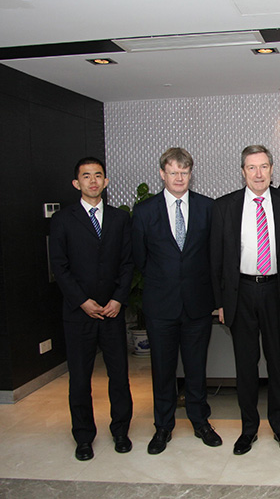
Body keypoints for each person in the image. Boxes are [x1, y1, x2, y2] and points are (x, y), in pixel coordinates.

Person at [211, 145, 280, 456]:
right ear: (243, 172)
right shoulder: (225, 206)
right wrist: (220, 302)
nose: (258, 173)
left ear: (272, 169)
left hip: (277, 292)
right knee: (246, 366)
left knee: (278, 364)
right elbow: (216, 259)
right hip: (241, 292)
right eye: (252, 167)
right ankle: (248, 428)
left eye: (264, 166)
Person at [131, 147, 222, 454]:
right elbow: (140, 259)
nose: (179, 178)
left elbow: (214, 256)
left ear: (191, 174)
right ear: (162, 174)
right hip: (161, 306)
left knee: (197, 368)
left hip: (197, 304)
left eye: (184, 172)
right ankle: (163, 426)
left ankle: (200, 422)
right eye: (173, 172)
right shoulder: (144, 211)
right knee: (162, 369)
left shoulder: (208, 207)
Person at [49, 157, 134, 461]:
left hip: (112, 311)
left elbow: (128, 263)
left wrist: (118, 299)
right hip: (78, 313)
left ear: (106, 181)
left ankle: (120, 431)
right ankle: (84, 437)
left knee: (119, 376)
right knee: (80, 379)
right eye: (86, 176)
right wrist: (82, 301)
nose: (93, 181)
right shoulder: (62, 219)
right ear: (77, 183)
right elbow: (59, 266)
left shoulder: (120, 219)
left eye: (98, 175)